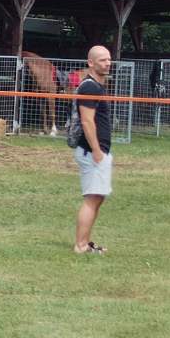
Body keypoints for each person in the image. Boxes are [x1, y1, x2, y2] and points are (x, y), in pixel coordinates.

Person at [72, 45, 113, 254]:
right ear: (91, 63)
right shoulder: (90, 87)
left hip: (99, 151)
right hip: (91, 152)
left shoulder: (97, 86)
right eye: (102, 60)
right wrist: (97, 150)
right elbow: (87, 122)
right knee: (92, 197)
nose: (107, 63)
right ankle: (80, 245)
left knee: (98, 196)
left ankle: (86, 242)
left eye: (108, 59)